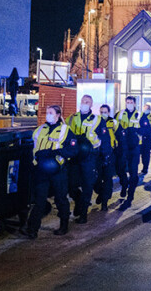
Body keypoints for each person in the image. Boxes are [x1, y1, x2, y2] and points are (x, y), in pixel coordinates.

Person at [21, 105, 78, 238]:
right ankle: (32, 230)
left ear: (58, 115)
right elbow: (33, 148)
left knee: (60, 198)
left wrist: (55, 153)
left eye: (51, 113)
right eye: (47, 113)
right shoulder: (40, 129)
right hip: (41, 170)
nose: (48, 115)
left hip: (58, 170)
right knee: (40, 200)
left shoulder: (65, 130)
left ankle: (64, 225)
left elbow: (73, 150)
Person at [66, 95, 101, 224]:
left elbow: (104, 139)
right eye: (83, 101)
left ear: (91, 105)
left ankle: (84, 213)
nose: (84, 104)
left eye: (87, 102)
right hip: (74, 156)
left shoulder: (97, 120)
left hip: (89, 156)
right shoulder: (71, 118)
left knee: (87, 184)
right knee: (71, 184)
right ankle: (79, 200)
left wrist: (104, 156)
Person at [115, 96, 142, 208]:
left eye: (131, 102)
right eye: (128, 102)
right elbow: (114, 127)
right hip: (122, 146)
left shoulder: (140, 115)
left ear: (135, 104)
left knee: (133, 172)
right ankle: (124, 184)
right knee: (120, 170)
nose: (129, 104)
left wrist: (135, 130)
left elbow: (146, 130)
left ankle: (130, 196)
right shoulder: (119, 114)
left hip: (135, 147)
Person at [93, 104, 118, 211]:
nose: (103, 114)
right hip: (98, 155)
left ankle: (105, 203)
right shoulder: (96, 122)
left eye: (105, 112)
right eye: (101, 111)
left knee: (107, 179)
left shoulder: (113, 122)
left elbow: (120, 137)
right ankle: (101, 193)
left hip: (109, 154)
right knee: (96, 180)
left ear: (109, 112)